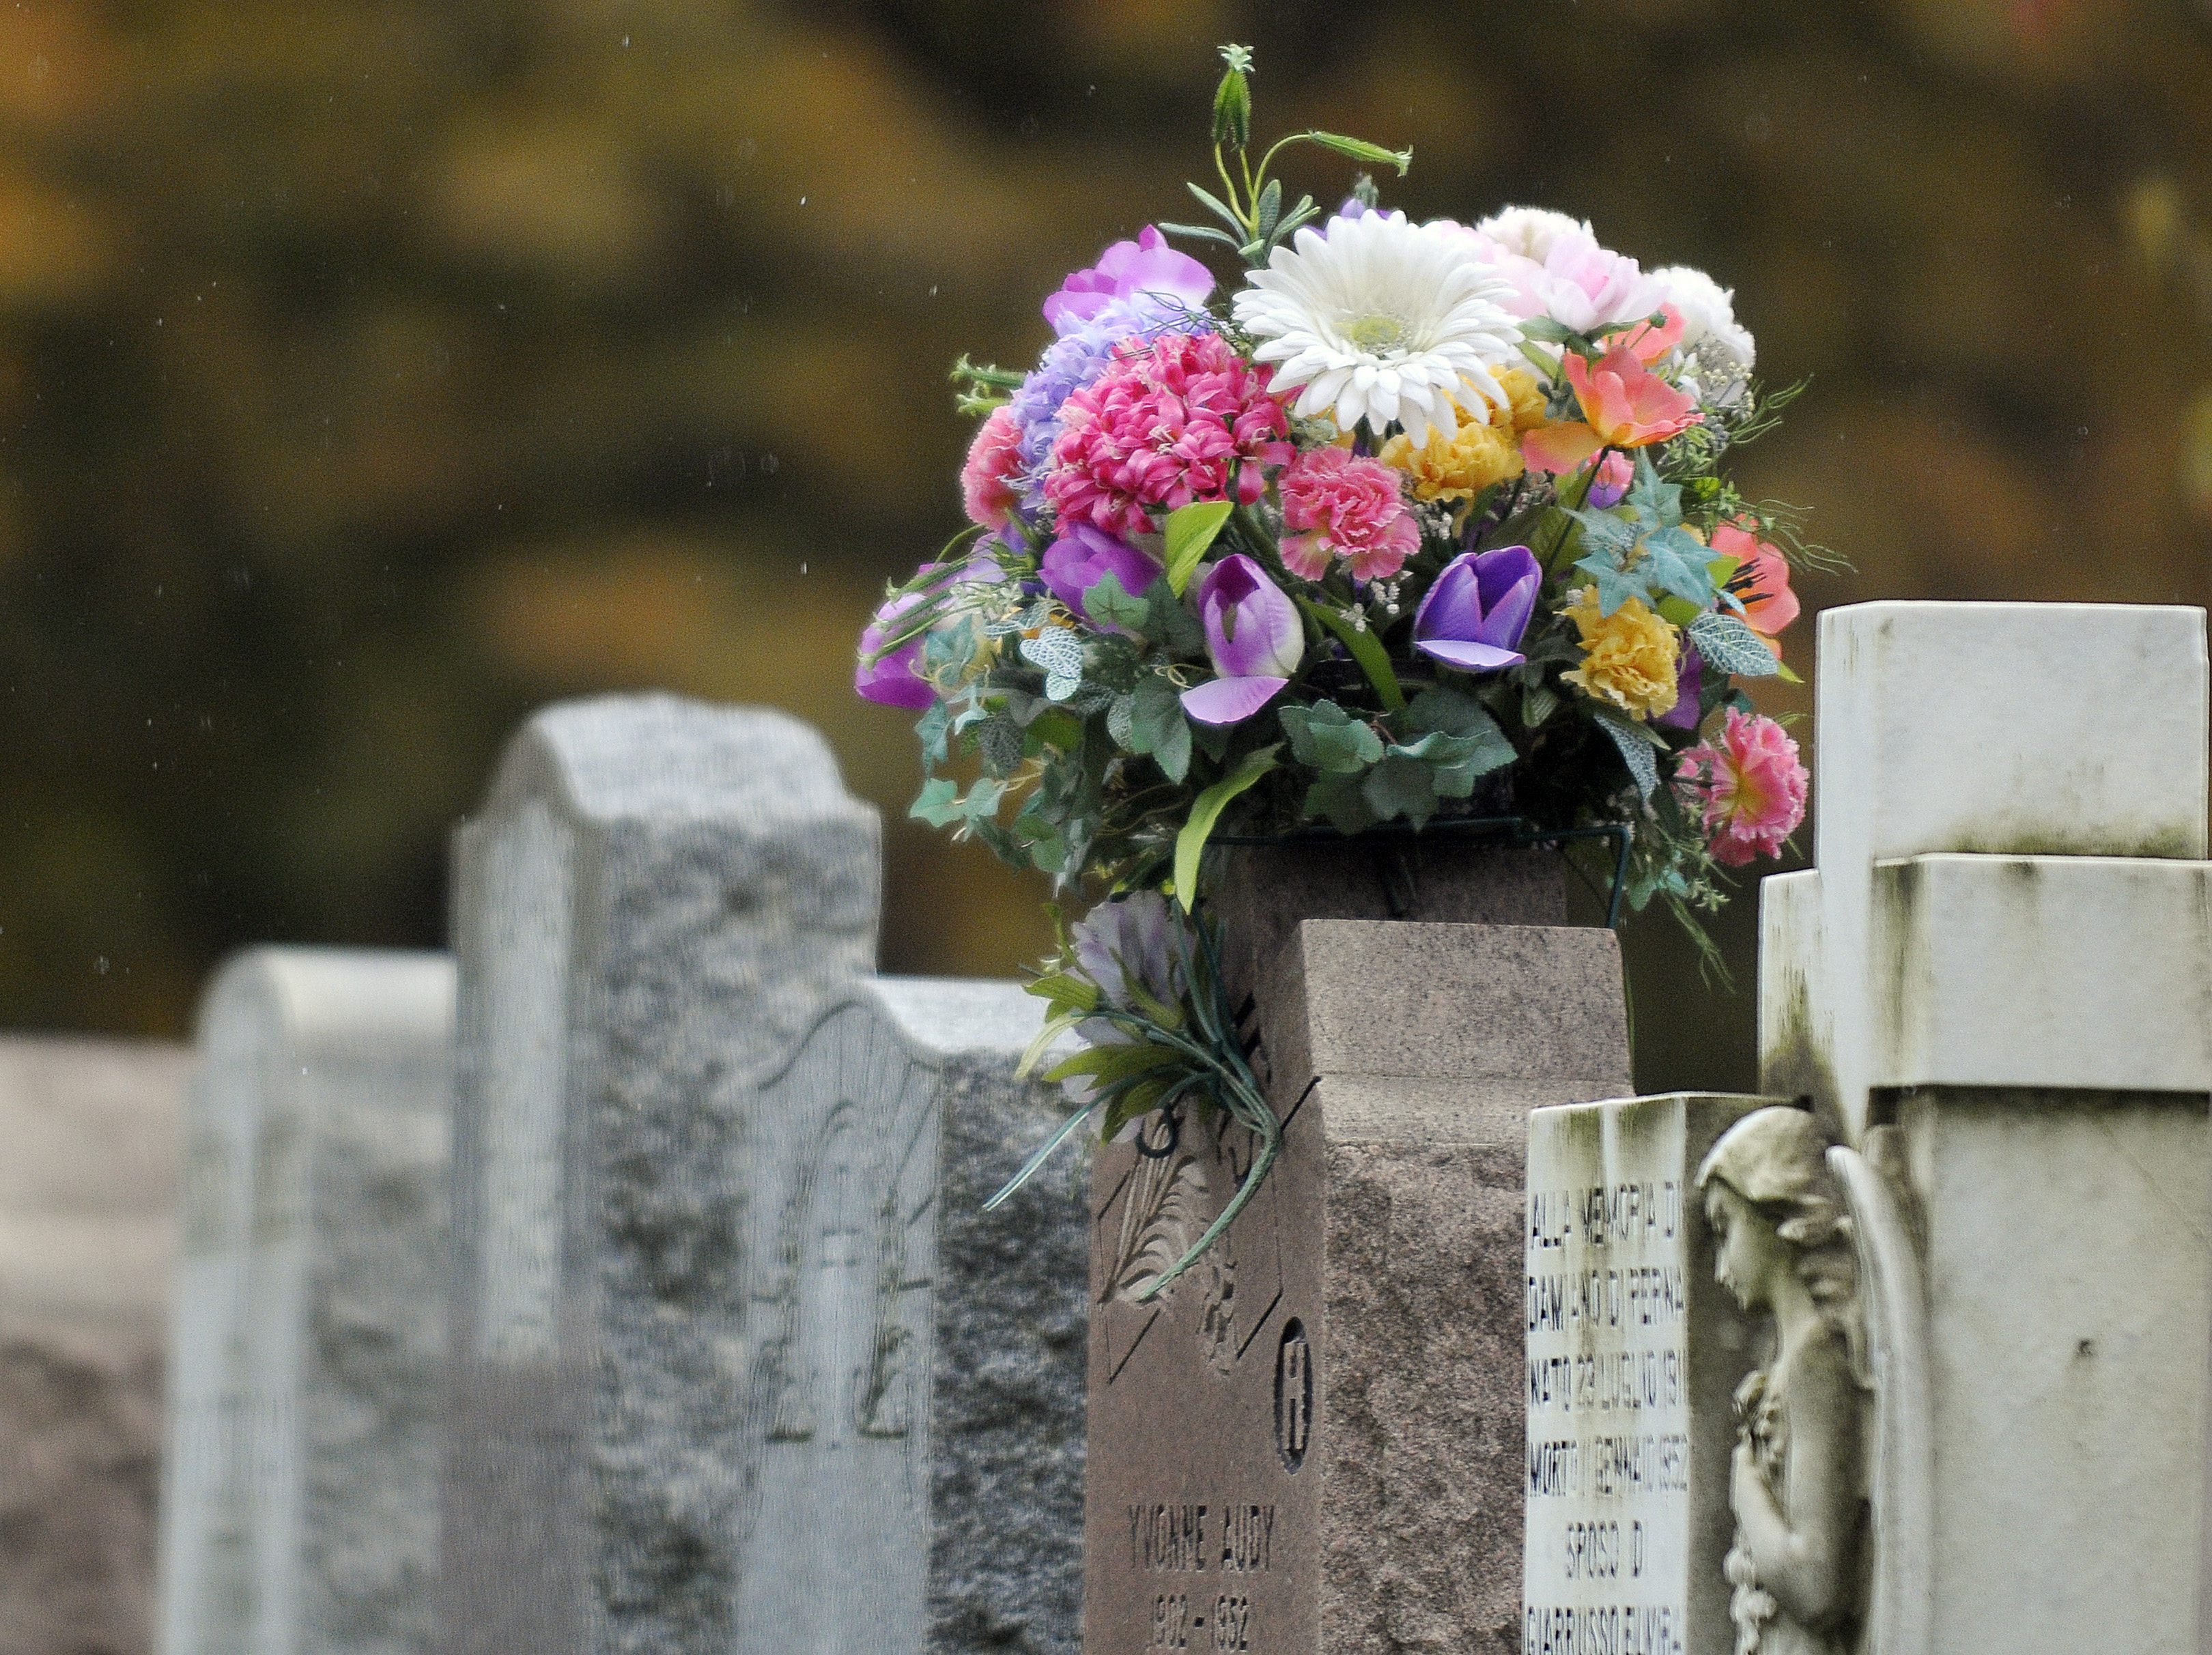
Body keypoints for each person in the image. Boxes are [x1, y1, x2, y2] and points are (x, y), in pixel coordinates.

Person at [1695, 1107, 1869, 1655]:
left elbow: (1816, 1586)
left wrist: (1744, 1487)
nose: (1722, 1266)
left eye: (1726, 1229)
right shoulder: (1790, 1360)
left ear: (1775, 1213)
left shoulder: (1815, 1359)